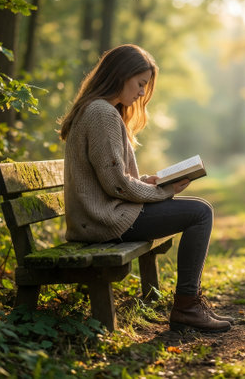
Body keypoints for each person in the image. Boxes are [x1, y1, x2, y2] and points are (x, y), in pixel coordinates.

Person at [59, 44, 233, 333]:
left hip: (102, 216)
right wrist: (164, 191)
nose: (142, 93)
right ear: (120, 75)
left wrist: (152, 183)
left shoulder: (101, 110)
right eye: (140, 84)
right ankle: (187, 307)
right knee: (200, 212)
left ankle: (188, 305)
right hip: (104, 221)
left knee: (200, 210)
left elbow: (113, 178)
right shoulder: (101, 113)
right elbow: (116, 184)